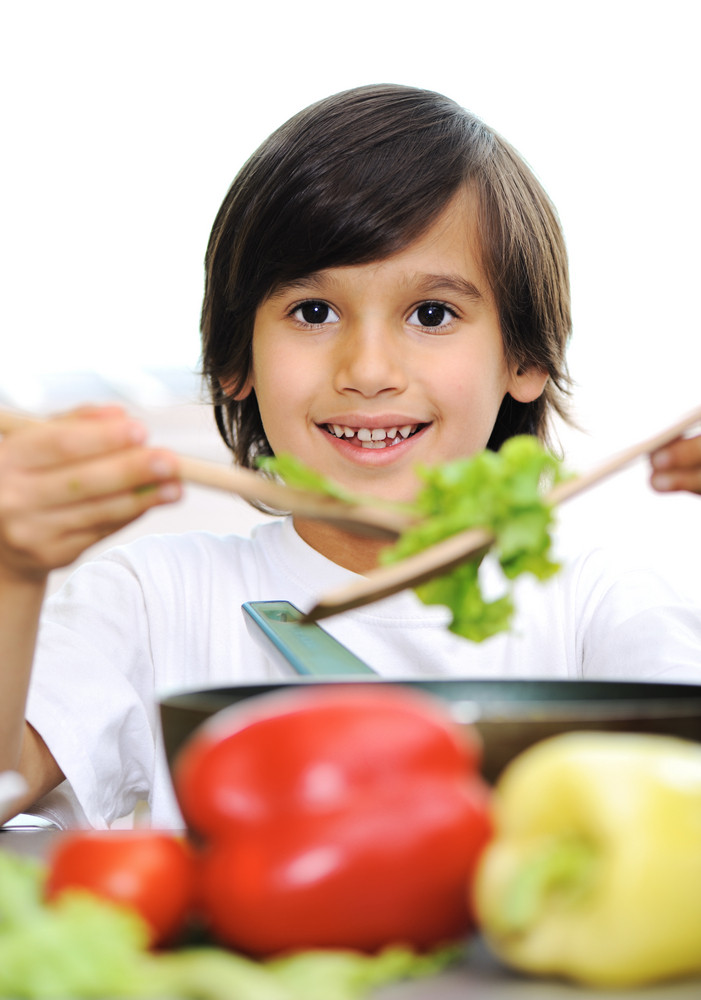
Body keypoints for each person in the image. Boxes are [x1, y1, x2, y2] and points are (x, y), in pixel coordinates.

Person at [1, 84, 700, 830]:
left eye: (432, 315)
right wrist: (13, 569)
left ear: (523, 356)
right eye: (313, 312)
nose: (367, 370)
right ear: (236, 358)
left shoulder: (598, 606)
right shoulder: (151, 600)